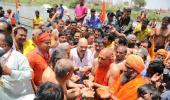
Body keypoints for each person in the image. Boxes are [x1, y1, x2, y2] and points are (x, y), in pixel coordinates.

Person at [0, 32, 33, 100]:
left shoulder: (19, 57)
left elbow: (29, 75)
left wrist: (11, 72)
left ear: (4, 45)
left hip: (21, 97)